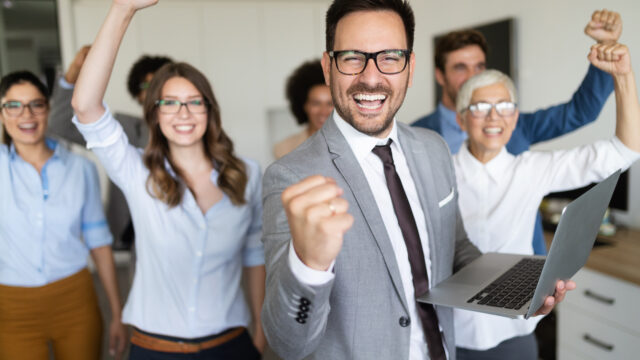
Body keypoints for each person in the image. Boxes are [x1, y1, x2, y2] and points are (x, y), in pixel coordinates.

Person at [261, 1, 573, 359]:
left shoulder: (434, 149)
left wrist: (520, 291)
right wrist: (309, 267)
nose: (371, 77)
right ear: (327, 67)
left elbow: (455, 249)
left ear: (410, 68)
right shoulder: (290, 178)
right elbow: (288, 344)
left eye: (390, 57)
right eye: (351, 57)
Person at [70, 1, 266, 358]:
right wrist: (123, 9)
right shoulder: (136, 171)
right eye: (170, 103)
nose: (184, 114)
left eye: (194, 102)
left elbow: (255, 253)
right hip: (154, 349)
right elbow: (85, 106)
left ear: (210, 109)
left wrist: (260, 324)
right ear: (154, 114)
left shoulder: (248, 173)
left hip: (230, 345)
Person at [452, 43, 639, 359]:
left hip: (513, 331)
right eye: (480, 107)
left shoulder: (531, 169)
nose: (494, 117)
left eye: (505, 106)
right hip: (448, 331)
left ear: (515, 117)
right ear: (461, 119)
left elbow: (625, 151)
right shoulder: (437, 170)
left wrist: (623, 77)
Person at [412, 9, 622, 256]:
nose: (472, 76)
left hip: (519, 267)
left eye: (479, 66)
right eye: (460, 67)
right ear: (440, 75)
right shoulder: (416, 136)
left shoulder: (515, 123)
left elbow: (580, 112)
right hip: (451, 270)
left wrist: (606, 47)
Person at [0, 71, 126, 359]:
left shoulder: (81, 168)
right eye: (13, 106)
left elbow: (99, 241)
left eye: (36, 104)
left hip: (75, 299)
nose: (26, 115)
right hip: (11, 304)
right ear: (2, 114)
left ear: (48, 109)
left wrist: (117, 314)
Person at [48, 47, 173, 249]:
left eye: (161, 83)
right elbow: (61, 125)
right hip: (140, 239)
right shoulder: (123, 130)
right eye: (147, 84)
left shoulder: (194, 128)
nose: (154, 91)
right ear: (138, 94)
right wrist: (72, 75)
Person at [274, 59, 333, 159]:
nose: (323, 111)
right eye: (316, 103)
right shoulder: (284, 148)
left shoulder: (353, 145)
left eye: (330, 104)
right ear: (304, 105)